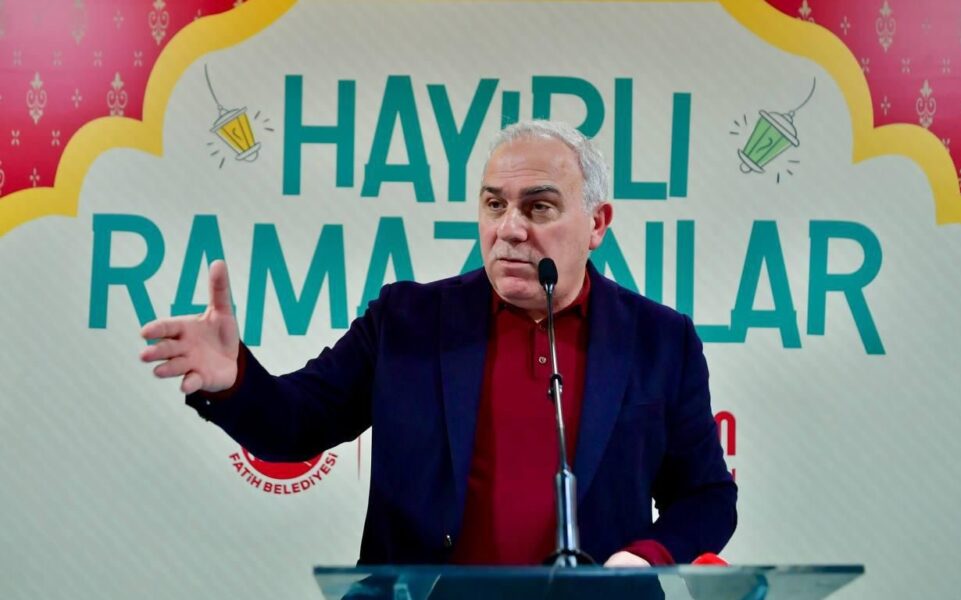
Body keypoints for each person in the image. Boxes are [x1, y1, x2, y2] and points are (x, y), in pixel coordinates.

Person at [140, 120, 736, 567]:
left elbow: (707, 497)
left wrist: (645, 557)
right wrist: (236, 381)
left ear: (597, 224)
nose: (510, 229)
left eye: (539, 207)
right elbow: (295, 425)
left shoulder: (660, 341)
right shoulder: (408, 322)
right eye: (495, 204)